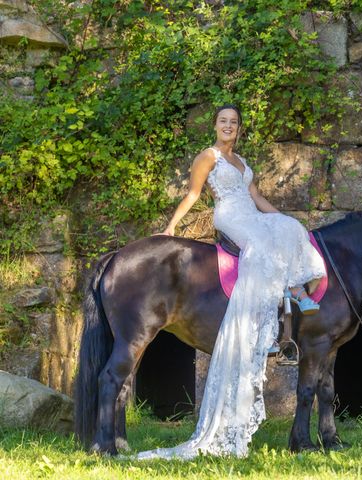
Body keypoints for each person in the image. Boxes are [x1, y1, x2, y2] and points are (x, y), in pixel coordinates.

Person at [135, 104, 326, 459]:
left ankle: (295, 291)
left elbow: (255, 198)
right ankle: (279, 303)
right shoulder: (208, 157)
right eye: (223, 121)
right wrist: (173, 226)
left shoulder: (241, 162)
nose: (228, 126)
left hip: (250, 213)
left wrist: (285, 219)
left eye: (233, 122)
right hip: (230, 217)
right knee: (259, 245)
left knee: (287, 228)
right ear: (215, 125)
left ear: (238, 128)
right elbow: (193, 194)